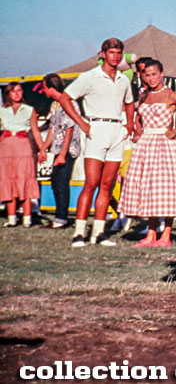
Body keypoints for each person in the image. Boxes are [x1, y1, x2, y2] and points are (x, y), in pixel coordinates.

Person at [118, 60, 176, 247]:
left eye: (154, 74)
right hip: (146, 146)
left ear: (162, 74)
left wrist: (175, 131)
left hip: (164, 146)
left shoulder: (170, 95)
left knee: (166, 190)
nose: (151, 78)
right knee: (149, 190)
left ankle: (165, 236)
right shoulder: (143, 96)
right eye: (147, 75)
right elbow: (138, 118)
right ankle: (151, 234)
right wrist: (139, 131)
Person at [59, 38, 135, 247]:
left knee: (107, 185)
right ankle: (80, 233)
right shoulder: (89, 77)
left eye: (118, 52)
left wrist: (129, 125)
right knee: (91, 183)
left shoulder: (123, 79)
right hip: (95, 129)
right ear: (103, 53)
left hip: (116, 131)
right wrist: (81, 123)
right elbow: (65, 98)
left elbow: (129, 102)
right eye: (111, 52)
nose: (115, 56)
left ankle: (99, 234)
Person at [37, 74, 82, 229]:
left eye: (44, 87)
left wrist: (63, 153)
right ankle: (59, 216)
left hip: (67, 149)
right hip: (58, 148)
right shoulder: (54, 106)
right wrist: (43, 149)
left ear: (51, 87)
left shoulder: (68, 103)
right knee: (56, 182)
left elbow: (70, 129)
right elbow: (52, 129)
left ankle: (61, 218)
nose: (43, 91)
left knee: (62, 182)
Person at [0, 82, 42, 227]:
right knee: (8, 181)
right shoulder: (2, 111)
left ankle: (27, 218)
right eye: (13, 91)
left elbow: (35, 131)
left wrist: (42, 149)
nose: (17, 94)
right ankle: (11, 218)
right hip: (6, 148)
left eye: (19, 91)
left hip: (23, 146)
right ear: (8, 94)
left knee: (24, 181)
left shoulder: (29, 110)